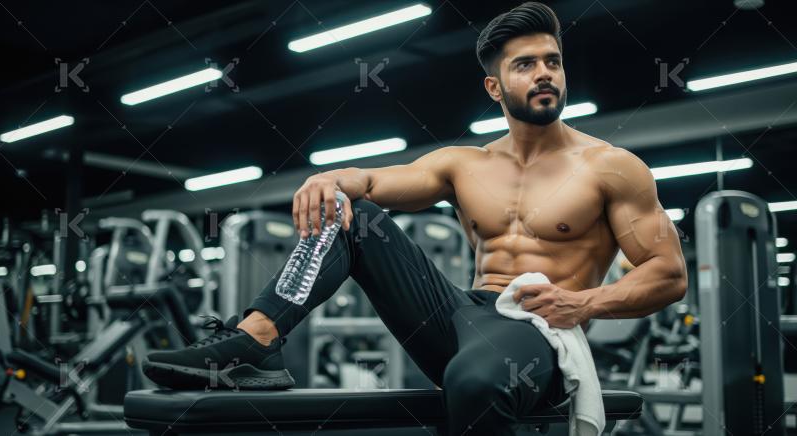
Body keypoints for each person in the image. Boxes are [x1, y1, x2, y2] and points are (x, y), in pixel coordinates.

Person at [143, 2, 687, 434]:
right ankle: (256, 342)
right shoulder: (464, 163)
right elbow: (375, 184)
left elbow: (668, 274)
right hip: (459, 317)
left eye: (553, 61)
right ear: (494, 87)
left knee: (473, 383)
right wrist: (332, 178)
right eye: (525, 65)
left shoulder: (611, 167)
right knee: (349, 210)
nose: (544, 74)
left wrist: (585, 302)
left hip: (535, 334)